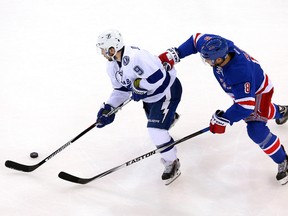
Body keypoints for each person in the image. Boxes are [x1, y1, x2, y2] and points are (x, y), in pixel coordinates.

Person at [159, 33, 288, 185]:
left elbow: (246, 107)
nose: (206, 61)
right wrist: (176, 54)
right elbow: (196, 40)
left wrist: (223, 119)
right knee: (260, 112)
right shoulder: (216, 45)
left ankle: (283, 159)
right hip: (243, 93)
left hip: (259, 92)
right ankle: (281, 111)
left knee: (256, 130)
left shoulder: (239, 72)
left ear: (219, 59)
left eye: (207, 59)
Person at [95, 29, 183, 185]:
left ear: (112, 48)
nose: (102, 53)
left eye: (103, 49)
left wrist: (141, 86)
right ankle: (169, 118)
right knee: (158, 125)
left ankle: (172, 162)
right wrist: (109, 107)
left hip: (166, 92)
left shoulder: (137, 57)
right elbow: (120, 90)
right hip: (151, 99)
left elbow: (159, 77)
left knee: (156, 131)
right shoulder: (112, 67)